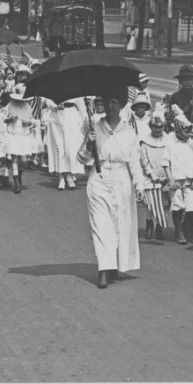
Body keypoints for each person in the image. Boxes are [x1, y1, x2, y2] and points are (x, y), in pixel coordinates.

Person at [80, 91, 142, 288]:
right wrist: (88, 144)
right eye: (108, 102)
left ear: (122, 104)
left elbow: (134, 161)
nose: (112, 106)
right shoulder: (94, 127)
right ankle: (103, 270)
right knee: (101, 224)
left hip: (122, 180)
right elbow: (81, 159)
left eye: (115, 102)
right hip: (99, 179)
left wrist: (139, 184)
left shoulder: (129, 131)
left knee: (119, 225)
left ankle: (114, 265)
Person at [164, 118, 193, 244]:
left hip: (189, 181)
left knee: (191, 207)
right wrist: (170, 179)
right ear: (178, 131)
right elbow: (166, 163)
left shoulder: (192, 144)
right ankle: (179, 231)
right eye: (186, 132)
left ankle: (186, 226)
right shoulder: (170, 144)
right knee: (177, 206)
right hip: (176, 180)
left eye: (189, 132)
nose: (189, 134)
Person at [138, 114, 172, 239]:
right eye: (155, 127)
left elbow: (170, 157)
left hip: (165, 174)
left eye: (160, 127)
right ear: (150, 127)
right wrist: (151, 173)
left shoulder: (168, 140)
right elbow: (143, 159)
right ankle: (149, 224)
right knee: (151, 203)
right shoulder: (145, 140)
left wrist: (167, 175)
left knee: (165, 202)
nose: (157, 130)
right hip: (150, 175)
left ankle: (159, 226)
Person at [45, 98, 85, 190]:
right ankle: (61, 177)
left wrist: (85, 120)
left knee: (71, 148)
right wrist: (55, 106)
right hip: (56, 116)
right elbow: (48, 101)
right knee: (59, 148)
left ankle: (70, 174)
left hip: (72, 115)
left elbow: (80, 103)